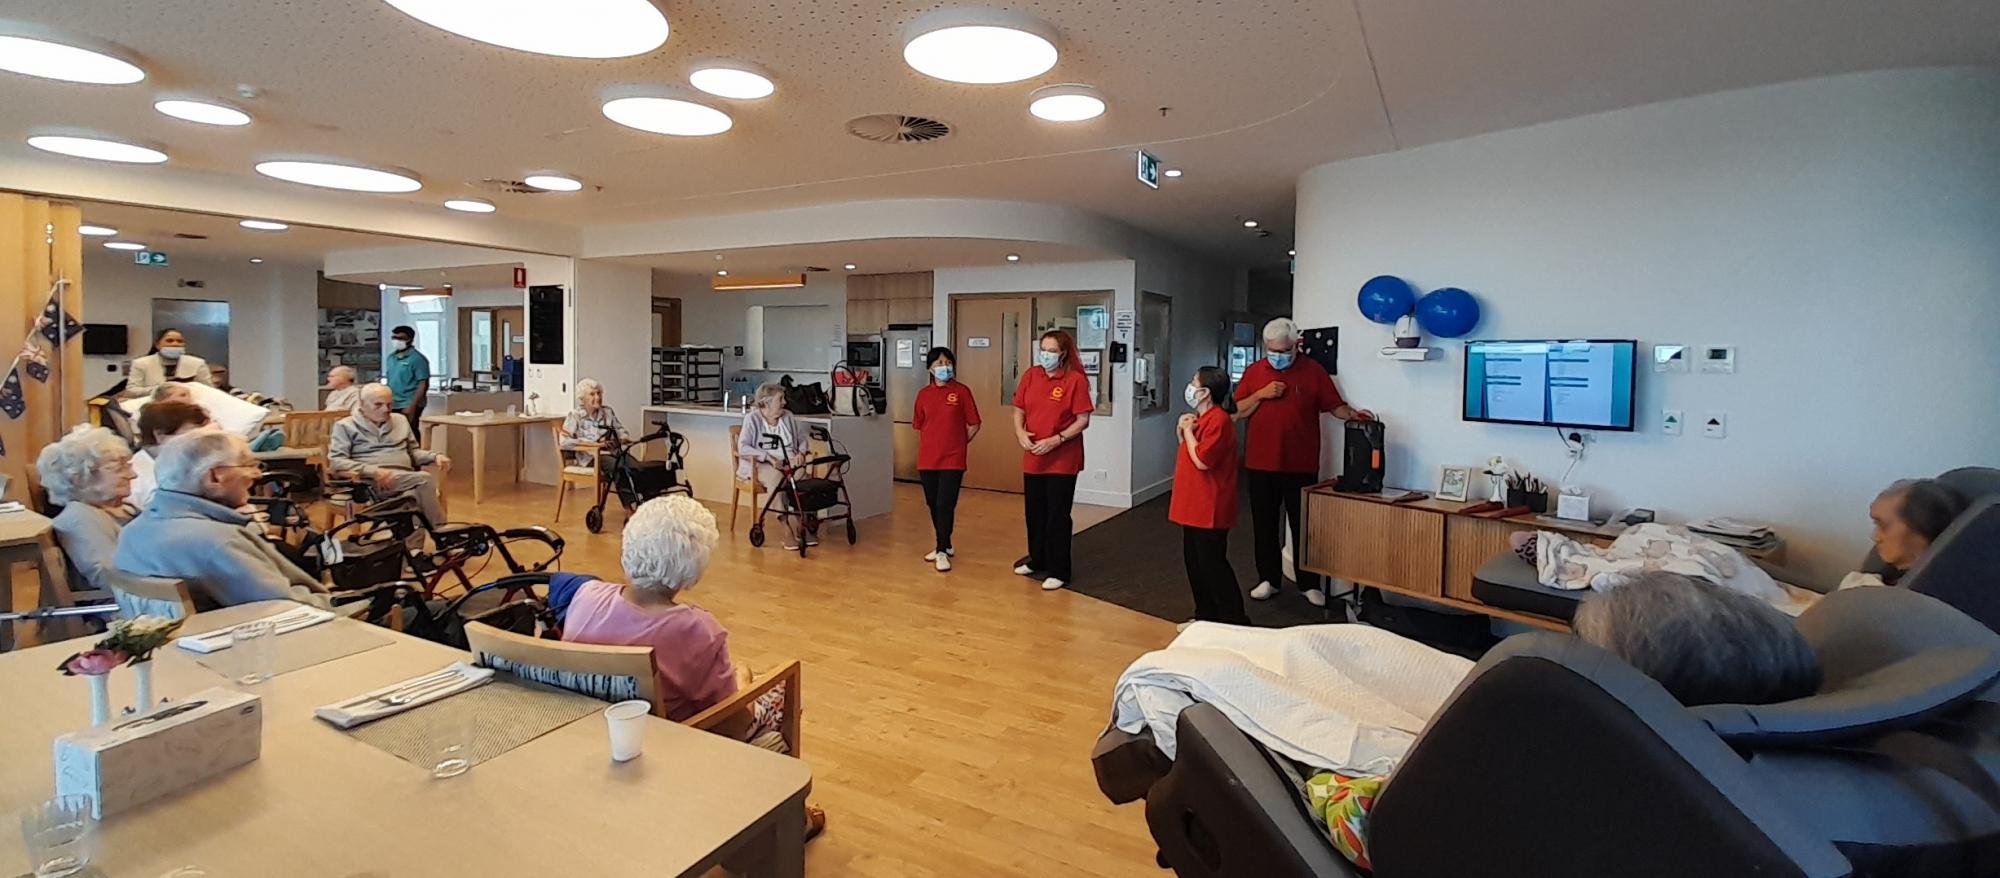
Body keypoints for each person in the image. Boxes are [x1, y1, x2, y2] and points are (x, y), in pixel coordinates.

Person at [560, 494, 828, 840]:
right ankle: (791, 821)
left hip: (601, 732)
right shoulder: (695, 628)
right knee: (780, 687)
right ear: (693, 565)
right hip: (673, 741)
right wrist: (744, 677)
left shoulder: (586, 596)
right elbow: (735, 721)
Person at [1232, 318, 1372, 607]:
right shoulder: (1254, 372)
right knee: (1264, 524)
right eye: (1272, 350)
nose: (1278, 356)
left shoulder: (1313, 371)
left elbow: (1334, 406)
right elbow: (1236, 411)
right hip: (1260, 463)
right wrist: (1260, 394)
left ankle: (1309, 584)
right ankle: (1268, 579)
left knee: (1304, 527)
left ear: (1296, 345)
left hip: (1301, 463)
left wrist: (1355, 415)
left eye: (1283, 351)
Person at [114, 431, 329, 609]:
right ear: (215, 477)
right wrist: (345, 604)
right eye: (248, 465)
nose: (257, 474)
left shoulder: (133, 531)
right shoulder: (216, 542)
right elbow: (288, 607)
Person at [1012, 329, 1093, 591]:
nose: (1045, 355)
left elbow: (1083, 419)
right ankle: (1038, 559)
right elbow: (1019, 408)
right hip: (1034, 455)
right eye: (1043, 350)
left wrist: (1057, 439)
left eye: (1052, 351)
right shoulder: (1031, 375)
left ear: (1063, 354)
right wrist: (1020, 432)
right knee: (1034, 512)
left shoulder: (1075, 380)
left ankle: (1059, 570)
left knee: (1057, 514)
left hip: (1062, 458)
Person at [1172, 367, 1249, 626]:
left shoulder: (1219, 420)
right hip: (1193, 503)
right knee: (1195, 563)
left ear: (1205, 392)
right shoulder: (1200, 418)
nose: (1190, 386)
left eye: (1194, 382)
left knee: (1212, 565)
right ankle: (1204, 616)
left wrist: (1189, 432)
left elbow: (1203, 460)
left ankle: (1234, 619)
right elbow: (1188, 450)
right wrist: (1183, 430)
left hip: (1210, 505)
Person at [328, 383, 451, 527]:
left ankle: (412, 541)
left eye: (389, 404)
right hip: (372, 482)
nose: (386, 409)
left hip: (405, 479)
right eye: (378, 405)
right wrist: (373, 471)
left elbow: (413, 453)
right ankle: (441, 531)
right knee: (424, 480)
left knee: (412, 496)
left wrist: (434, 456)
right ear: (362, 404)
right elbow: (337, 461)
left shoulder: (400, 420)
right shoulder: (345, 426)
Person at [36, 427, 139, 595]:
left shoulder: (125, 508)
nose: (133, 475)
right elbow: (109, 578)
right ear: (80, 478)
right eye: (119, 469)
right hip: (130, 605)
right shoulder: (79, 518)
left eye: (128, 466)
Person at [911, 347, 980, 573]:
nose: (944, 367)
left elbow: (974, 423)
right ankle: (946, 542)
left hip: (953, 458)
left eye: (948, 362)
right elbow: (919, 424)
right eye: (939, 363)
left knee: (945, 503)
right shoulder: (923, 394)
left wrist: (960, 443)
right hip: (928, 458)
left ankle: (941, 550)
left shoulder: (961, 392)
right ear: (930, 368)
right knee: (933, 503)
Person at [1847, 478, 1973, 588]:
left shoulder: (1935, 598)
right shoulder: (1873, 582)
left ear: (1923, 526)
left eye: (1884, 526)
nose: (1875, 537)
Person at [737, 382, 814, 549]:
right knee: (777, 480)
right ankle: (786, 528)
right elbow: (743, 447)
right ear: (766, 402)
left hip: (789, 461)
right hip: (762, 464)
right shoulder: (752, 419)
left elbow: (802, 440)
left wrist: (801, 453)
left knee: (803, 478)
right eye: (781, 399)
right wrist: (769, 458)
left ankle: (802, 523)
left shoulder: (788, 416)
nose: (785, 402)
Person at [130, 400, 215, 507]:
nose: (201, 440)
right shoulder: (137, 475)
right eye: (193, 434)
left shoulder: (199, 458)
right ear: (160, 435)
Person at [120, 328, 213, 399]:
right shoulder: (141, 363)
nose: (175, 344)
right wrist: (163, 389)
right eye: (170, 341)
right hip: (152, 406)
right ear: (158, 345)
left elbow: (208, 390)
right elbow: (132, 391)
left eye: (180, 341)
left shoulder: (197, 363)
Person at [560, 378, 625, 466]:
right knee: (620, 466)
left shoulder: (608, 412)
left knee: (637, 467)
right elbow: (563, 441)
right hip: (590, 458)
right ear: (582, 398)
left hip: (612, 454)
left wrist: (623, 438)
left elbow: (620, 431)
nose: (597, 397)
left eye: (599, 393)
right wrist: (590, 444)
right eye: (592, 394)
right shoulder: (575, 415)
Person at [383, 324, 431, 427]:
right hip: (393, 402)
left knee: (410, 429)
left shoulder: (417, 359)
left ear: (410, 340)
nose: (396, 340)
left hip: (409, 402)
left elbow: (423, 384)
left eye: (400, 338)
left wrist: (412, 405)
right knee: (394, 430)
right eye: (394, 337)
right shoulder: (391, 357)